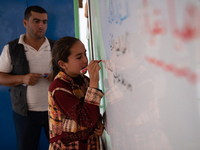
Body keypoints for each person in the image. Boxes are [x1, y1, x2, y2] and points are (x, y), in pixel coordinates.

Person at [0, 5, 55, 150]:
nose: (41, 25)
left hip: (56, 110)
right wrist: (23, 79)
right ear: (25, 22)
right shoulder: (12, 48)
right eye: (36, 21)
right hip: (24, 113)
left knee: (60, 147)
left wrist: (57, 77)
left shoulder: (56, 47)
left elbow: (70, 73)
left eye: (44, 22)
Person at [48, 36, 104, 150]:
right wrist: (94, 82)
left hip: (90, 144)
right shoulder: (59, 89)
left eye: (85, 53)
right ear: (63, 64)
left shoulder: (84, 80)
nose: (85, 60)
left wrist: (98, 123)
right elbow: (86, 119)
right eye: (79, 57)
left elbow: (92, 113)